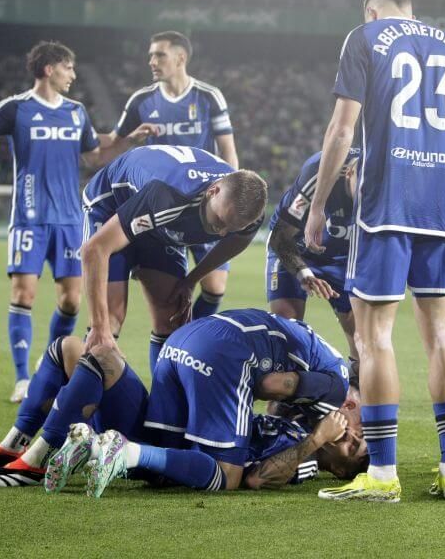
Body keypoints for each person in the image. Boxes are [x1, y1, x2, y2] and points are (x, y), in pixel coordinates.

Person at [304, 0, 445, 502]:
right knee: (441, 335)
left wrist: (321, 204)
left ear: (372, 10)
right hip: (439, 210)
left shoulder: (366, 37)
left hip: (385, 207)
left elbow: (342, 130)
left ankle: (384, 473)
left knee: (375, 339)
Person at [0, 309, 365, 491]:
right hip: (218, 374)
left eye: (353, 445)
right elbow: (275, 392)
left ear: (342, 470)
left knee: (86, 353)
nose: (349, 434)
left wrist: (314, 441)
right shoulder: (323, 398)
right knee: (223, 472)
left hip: (189, 341)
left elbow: (261, 477)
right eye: (357, 435)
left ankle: (33, 449)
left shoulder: (310, 457)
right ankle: (46, 450)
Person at [0, 41, 106, 402]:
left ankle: (48, 364)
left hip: (69, 219)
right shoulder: (15, 108)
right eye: (68, 67)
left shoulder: (77, 111)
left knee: (71, 301)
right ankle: (22, 378)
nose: (74, 74)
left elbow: (96, 153)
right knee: (24, 294)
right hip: (29, 219)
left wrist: (131, 139)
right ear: (50, 69)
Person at [80, 145, 267, 376]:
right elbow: (94, 250)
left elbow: (235, 242)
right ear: (213, 191)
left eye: (231, 228)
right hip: (113, 205)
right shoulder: (169, 195)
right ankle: (71, 405)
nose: (220, 232)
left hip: (158, 222)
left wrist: (192, 280)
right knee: (109, 322)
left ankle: (161, 409)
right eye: (220, 221)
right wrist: (99, 326)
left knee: (172, 318)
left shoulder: (247, 214)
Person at [98, 31, 239, 321]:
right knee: (166, 295)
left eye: (159, 54)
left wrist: (233, 193)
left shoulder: (208, 97)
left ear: (180, 58)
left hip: (205, 202)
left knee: (215, 287)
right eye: (150, 55)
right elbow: (113, 143)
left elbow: (228, 149)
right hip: (161, 204)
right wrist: (127, 140)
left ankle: (192, 335)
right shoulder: (141, 100)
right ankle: (180, 338)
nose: (152, 61)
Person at [266, 147, 360, 366]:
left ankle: (354, 388)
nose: (367, 195)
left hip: (343, 258)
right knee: (287, 328)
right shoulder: (319, 172)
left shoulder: (384, 184)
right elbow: (280, 239)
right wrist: (303, 273)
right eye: (362, 187)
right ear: (349, 173)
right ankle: (285, 392)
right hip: (296, 249)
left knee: (362, 337)